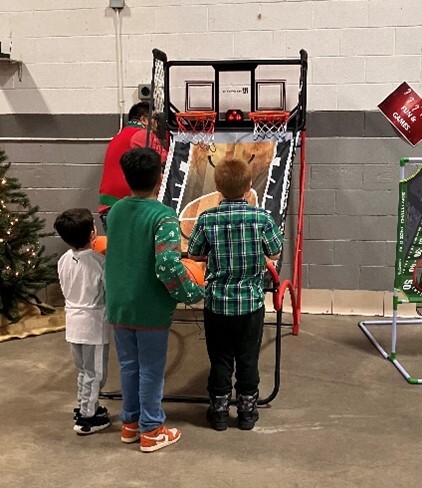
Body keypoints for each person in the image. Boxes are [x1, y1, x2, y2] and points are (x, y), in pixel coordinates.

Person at [105, 147, 204, 453]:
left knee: (129, 366)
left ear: (126, 178)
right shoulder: (164, 217)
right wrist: (193, 292)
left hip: (119, 303)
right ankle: (151, 429)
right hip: (149, 307)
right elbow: (168, 267)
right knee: (150, 369)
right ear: (160, 178)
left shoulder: (115, 212)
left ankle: (130, 423)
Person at [188, 158, 283, 431]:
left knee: (220, 358)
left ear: (217, 186)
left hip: (217, 304)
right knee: (247, 358)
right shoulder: (262, 217)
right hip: (251, 305)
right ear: (248, 186)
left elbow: (194, 253)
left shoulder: (207, 218)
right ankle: (247, 413)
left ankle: (218, 413)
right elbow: (275, 252)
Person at [54, 208, 111, 435]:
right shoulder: (100, 262)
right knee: (96, 373)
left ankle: (87, 405)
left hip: (73, 323)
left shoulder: (63, 260)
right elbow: (108, 291)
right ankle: (87, 418)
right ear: (92, 234)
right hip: (93, 325)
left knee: (83, 371)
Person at [98, 101, 168, 231]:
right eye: (155, 119)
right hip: (128, 209)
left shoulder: (118, 136)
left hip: (108, 207)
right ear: (144, 120)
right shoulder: (144, 135)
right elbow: (167, 161)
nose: (157, 125)